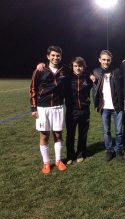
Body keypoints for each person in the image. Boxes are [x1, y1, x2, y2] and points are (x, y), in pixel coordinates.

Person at [30, 45, 67, 174]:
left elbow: (79, 70)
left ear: (60, 57)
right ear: (48, 56)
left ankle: (58, 160)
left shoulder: (64, 70)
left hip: (57, 107)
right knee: (44, 135)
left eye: (58, 55)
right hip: (42, 108)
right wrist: (33, 107)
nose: (55, 57)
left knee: (58, 134)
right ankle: (46, 163)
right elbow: (33, 89)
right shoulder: (39, 71)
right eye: (53, 55)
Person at [92, 50, 124, 161]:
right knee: (106, 131)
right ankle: (109, 150)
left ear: (111, 60)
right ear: (99, 60)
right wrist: (96, 104)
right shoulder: (95, 72)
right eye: (104, 59)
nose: (106, 62)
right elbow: (94, 89)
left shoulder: (117, 71)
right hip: (104, 107)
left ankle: (118, 150)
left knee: (119, 131)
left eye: (108, 60)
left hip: (117, 107)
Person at [65, 57, 93, 165]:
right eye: (75, 66)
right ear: (72, 67)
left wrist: (90, 73)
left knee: (83, 134)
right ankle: (70, 155)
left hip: (84, 111)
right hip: (71, 111)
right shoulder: (68, 78)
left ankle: (81, 153)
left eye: (80, 66)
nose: (78, 68)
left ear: (83, 67)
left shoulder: (88, 78)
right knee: (70, 134)